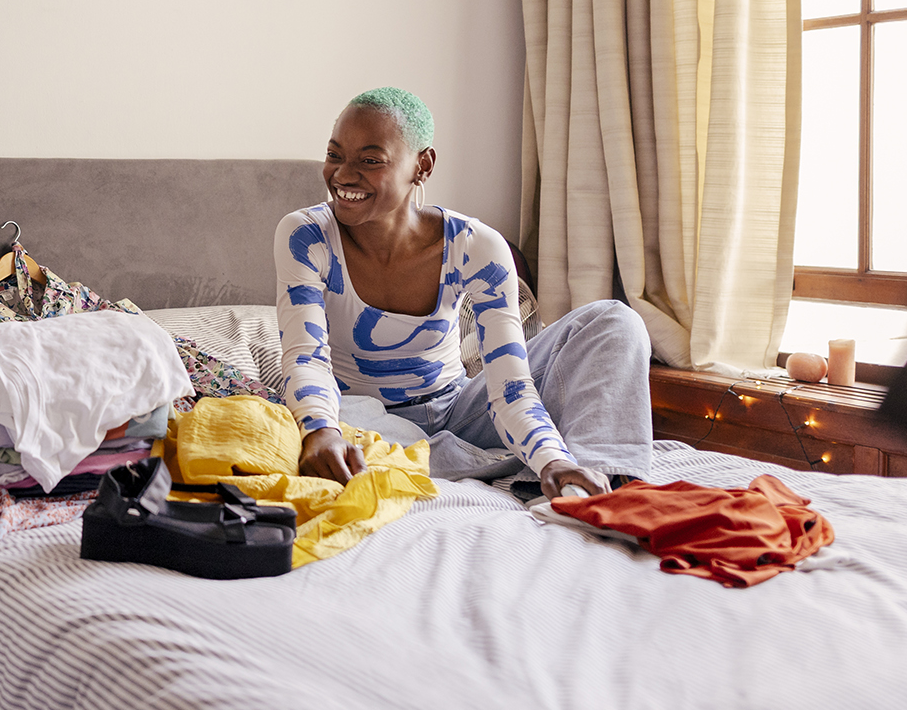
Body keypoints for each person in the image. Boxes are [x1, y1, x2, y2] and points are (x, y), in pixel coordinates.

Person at [275, 87, 653, 496]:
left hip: (459, 409)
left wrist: (551, 457)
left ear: (422, 165)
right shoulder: (306, 235)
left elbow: (510, 385)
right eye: (334, 156)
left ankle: (599, 481)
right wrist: (318, 428)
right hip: (360, 415)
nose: (344, 175)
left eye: (370, 160)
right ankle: (491, 462)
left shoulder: (475, 246)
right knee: (317, 419)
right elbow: (306, 359)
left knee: (614, 322)